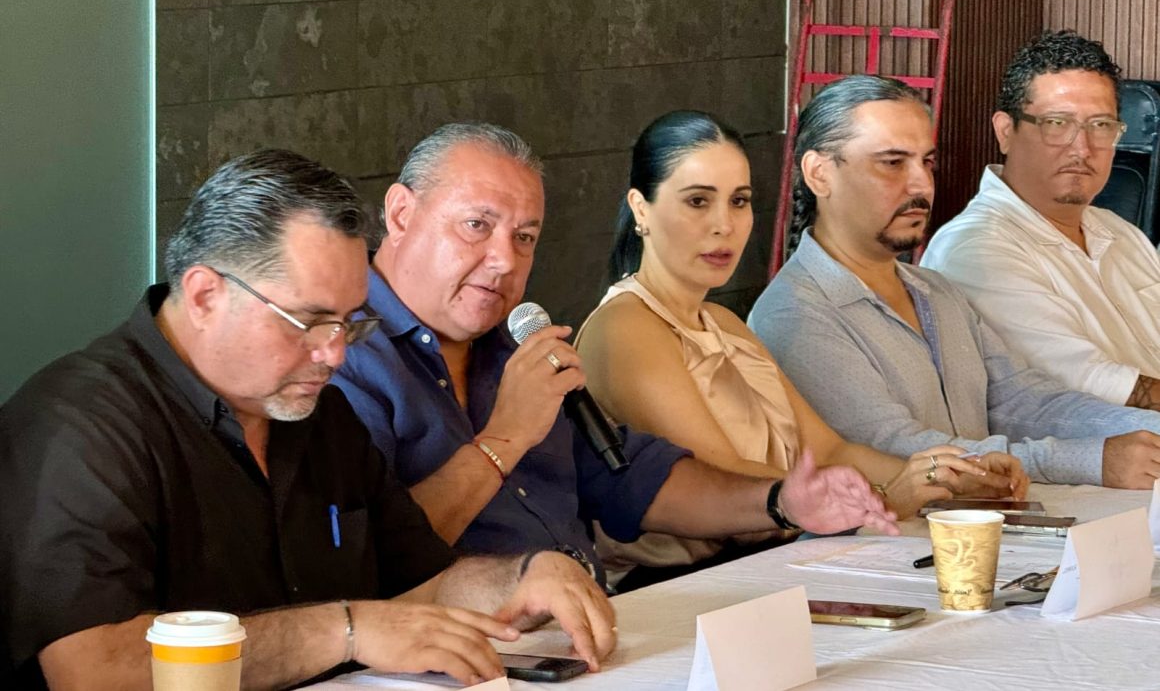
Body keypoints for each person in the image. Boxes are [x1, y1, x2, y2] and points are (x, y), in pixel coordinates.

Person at [0, 150, 619, 690]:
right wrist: (344, 630)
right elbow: (93, 670)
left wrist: (520, 578)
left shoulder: (319, 414)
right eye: (310, 322)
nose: (336, 354)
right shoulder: (80, 427)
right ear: (207, 295)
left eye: (350, 323)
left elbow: (418, 579)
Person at [331, 122, 901, 593]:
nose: (504, 259)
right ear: (401, 214)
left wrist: (781, 502)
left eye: (525, 237)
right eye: (477, 226)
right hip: (451, 660)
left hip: (591, 631)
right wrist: (505, 439)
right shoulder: (339, 355)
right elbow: (365, 558)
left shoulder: (511, 346)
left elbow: (633, 480)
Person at [574, 110, 1026, 589]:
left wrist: (952, 478)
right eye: (698, 201)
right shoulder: (625, 326)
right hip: (682, 587)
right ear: (641, 209)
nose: (724, 224)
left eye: (739, 201)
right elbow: (724, 479)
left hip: (777, 565)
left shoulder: (724, 322)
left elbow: (829, 448)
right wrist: (886, 496)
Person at [749, 75, 1160, 490]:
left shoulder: (936, 291)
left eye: (926, 162)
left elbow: (1020, 401)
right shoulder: (794, 314)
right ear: (819, 174)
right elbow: (892, 449)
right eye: (892, 163)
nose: (921, 184)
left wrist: (1144, 432)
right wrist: (1088, 460)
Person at [923, 30, 1160, 410]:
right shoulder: (975, 249)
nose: (1082, 148)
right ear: (1006, 132)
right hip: (1091, 445)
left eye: (1101, 125)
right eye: (1056, 123)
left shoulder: (1121, 234)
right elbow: (1087, 384)